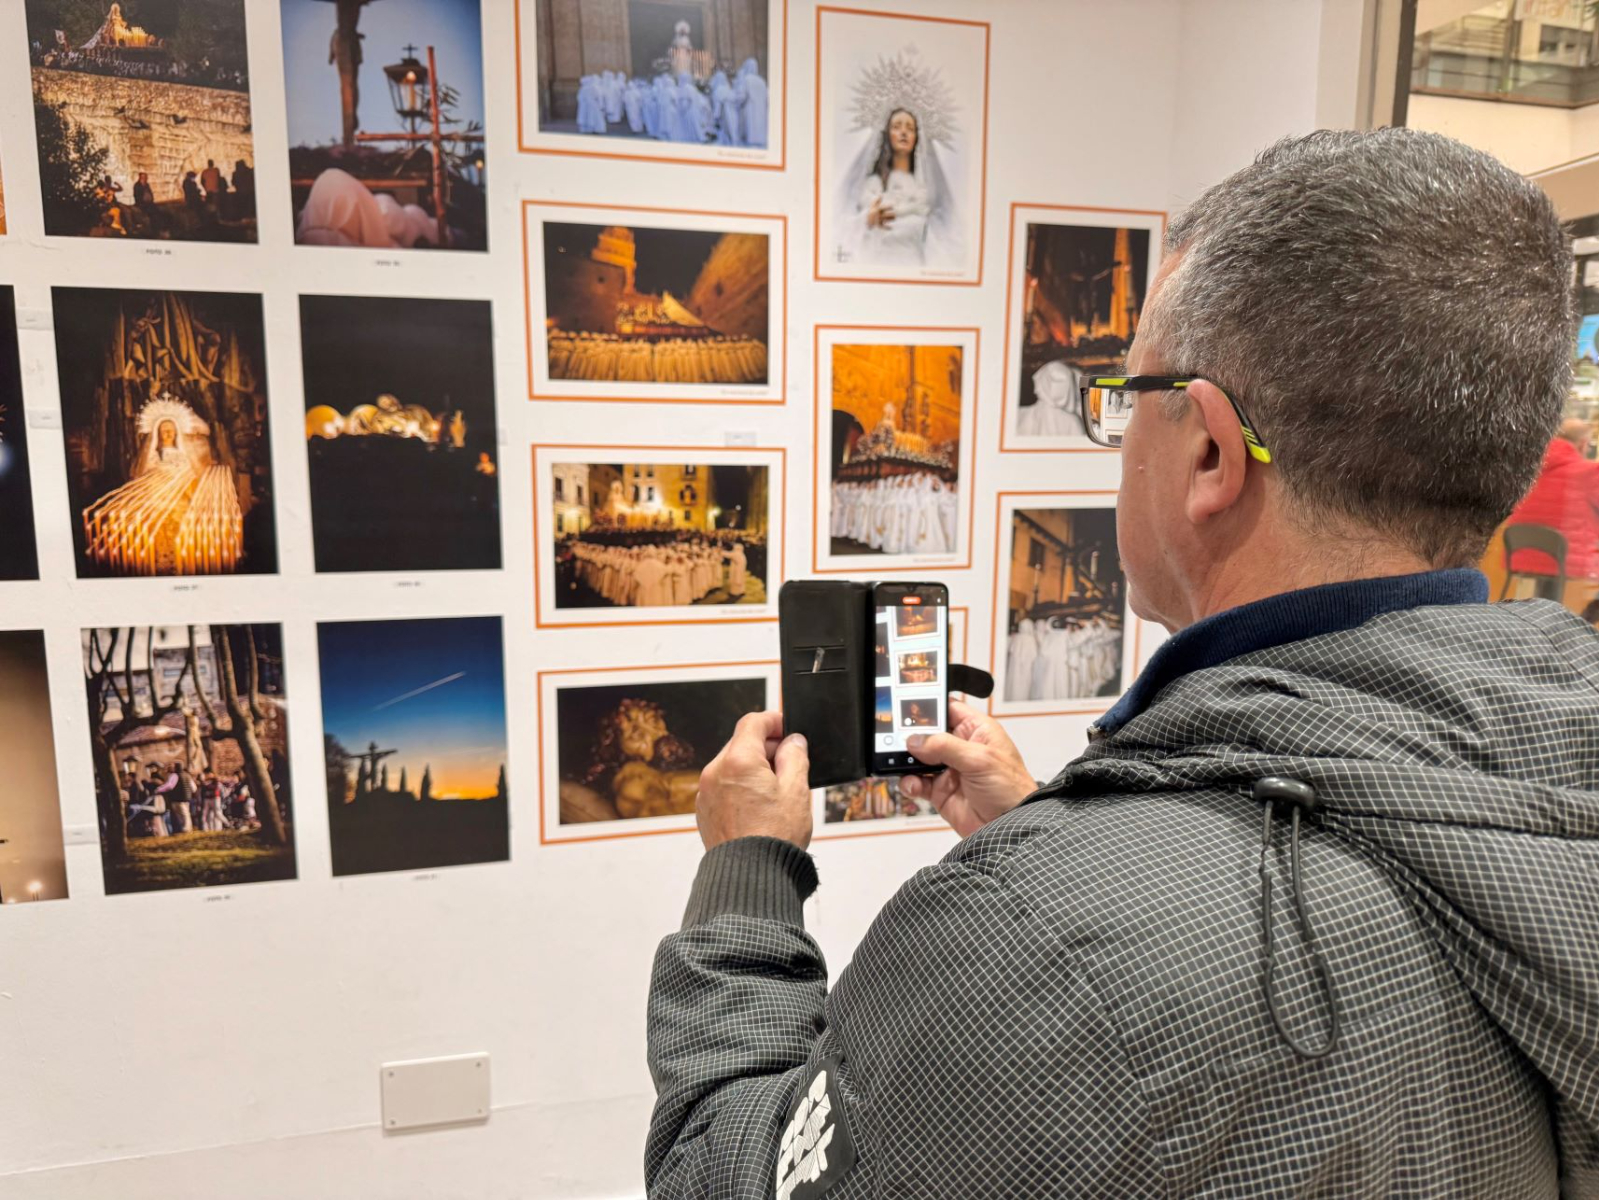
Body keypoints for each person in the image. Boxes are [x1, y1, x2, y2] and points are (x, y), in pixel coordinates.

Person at [646, 129, 1599, 1196]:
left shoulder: (1023, 937)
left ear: (1207, 452)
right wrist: (1067, 832)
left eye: (1127, 394)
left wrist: (745, 876)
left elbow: (716, 1176)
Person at [1503, 416, 1599, 599]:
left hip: (1523, 553)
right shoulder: (1589, 471)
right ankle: (1586, 620)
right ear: (1583, 444)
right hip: (1569, 559)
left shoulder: (1529, 468)